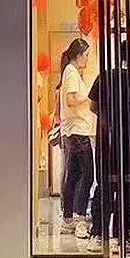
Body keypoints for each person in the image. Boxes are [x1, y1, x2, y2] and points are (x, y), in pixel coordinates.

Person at [87, 38, 130, 256]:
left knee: (105, 186)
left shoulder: (103, 77)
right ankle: (121, 236)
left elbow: (93, 106)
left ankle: (98, 235)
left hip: (107, 142)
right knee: (129, 188)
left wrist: (109, 116)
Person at [57, 37, 95, 241]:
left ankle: (68, 218)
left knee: (72, 176)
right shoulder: (71, 72)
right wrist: (89, 96)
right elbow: (71, 100)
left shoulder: (70, 71)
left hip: (72, 131)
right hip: (77, 130)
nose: (87, 59)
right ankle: (80, 218)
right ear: (78, 55)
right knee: (86, 175)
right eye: (86, 55)